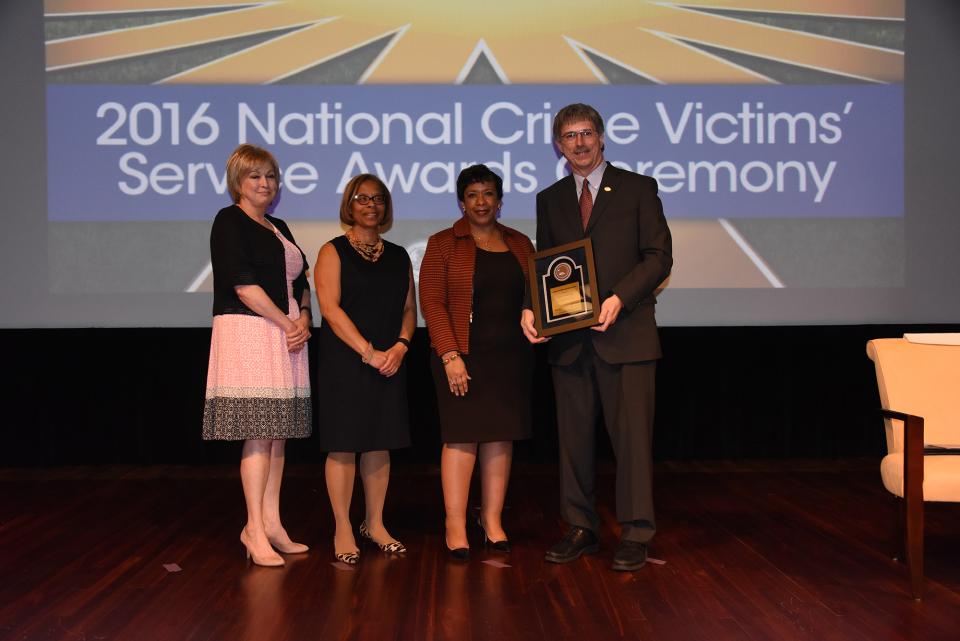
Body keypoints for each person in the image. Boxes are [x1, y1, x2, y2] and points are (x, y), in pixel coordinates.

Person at [521, 103, 673, 572]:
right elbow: (548, 263)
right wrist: (532, 306)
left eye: (587, 133)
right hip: (569, 344)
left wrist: (619, 298)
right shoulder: (550, 199)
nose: (579, 143)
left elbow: (658, 257)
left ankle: (636, 532)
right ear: (558, 145)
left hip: (626, 336)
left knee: (632, 443)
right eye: (569, 136)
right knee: (572, 442)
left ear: (602, 138)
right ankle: (580, 528)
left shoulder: (638, 188)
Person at [203, 143, 313, 567]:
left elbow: (300, 278)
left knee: (277, 432)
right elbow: (243, 285)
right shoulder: (229, 221)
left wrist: (302, 315)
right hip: (251, 331)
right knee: (258, 431)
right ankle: (252, 528)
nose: (264, 183)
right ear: (238, 183)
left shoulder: (277, 225)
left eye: (269, 175)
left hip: (285, 332)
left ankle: (272, 524)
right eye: (255, 176)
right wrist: (288, 324)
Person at [420, 164, 536, 560]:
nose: (481, 202)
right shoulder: (442, 243)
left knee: (500, 437)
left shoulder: (521, 244)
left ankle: (492, 520)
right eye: (472, 195)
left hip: (510, 357)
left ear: (500, 202)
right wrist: (450, 355)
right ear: (461, 202)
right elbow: (432, 302)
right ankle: (455, 524)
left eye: (488, 194)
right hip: (461, 355)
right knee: (462, 436)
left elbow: (536, 297)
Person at [314, 174, 416, 565]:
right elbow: (330, 310)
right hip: (347, 360)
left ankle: (375, 524)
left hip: (390, 360)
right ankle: (342, 526)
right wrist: (369, 352)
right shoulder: (332, 250)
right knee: (343, 444)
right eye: (362, 198)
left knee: (379, 440)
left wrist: (401, 347)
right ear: (349, 205)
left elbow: (410, 310)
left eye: (378, 199)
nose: (371, 205)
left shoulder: (399, 255)